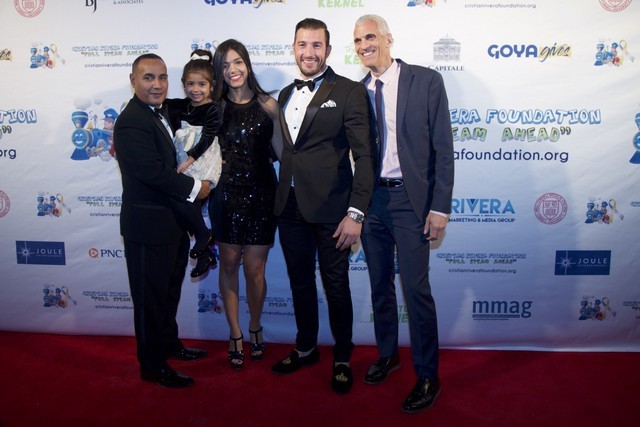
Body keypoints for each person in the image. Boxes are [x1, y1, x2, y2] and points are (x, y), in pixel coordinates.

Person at [353, 14, 455, 413]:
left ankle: (428, 375)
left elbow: (443, 148)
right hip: (372, 202)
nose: (364, 45)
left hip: (411, 203)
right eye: (357, 40)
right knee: (379, 285)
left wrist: (439, 206)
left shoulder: (425, 81)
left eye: (370, 36)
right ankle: (388, 354)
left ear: (388, 38)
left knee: (415, 291)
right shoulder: (357, 91)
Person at [270, 18, 376, 395]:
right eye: (303, 44)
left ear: (328, 50)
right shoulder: (284, 94)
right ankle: (306, 347)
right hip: (289, 207)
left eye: (317, 45)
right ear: (294, 48)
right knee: (300, 281)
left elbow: (365, 156)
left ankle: (343, 356)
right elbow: (284, 150)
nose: (309, 52)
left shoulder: (349, 91)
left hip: (334, 210)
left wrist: (356, 213)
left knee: (335, 285)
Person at [114, 53, 210, 388]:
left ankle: (169, 345)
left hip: (171, 224)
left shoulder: (158, 112)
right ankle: (152, 365)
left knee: (167, 294)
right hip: (147, 228)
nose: (157, 84)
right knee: (149, 301)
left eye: (162, 77)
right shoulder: (131, 121)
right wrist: (197, 188)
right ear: (133, 81)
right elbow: (152, 173)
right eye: (148, 77)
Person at [209, 39, 283, 369]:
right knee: (228, 264)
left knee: (255, 269)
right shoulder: (214, 108)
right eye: (224, 66)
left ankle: (255, 324)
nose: (232, 70)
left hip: (262, 196)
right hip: (225, 195)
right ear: (219, 72)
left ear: (247, 64)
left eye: (237, 62)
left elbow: (284, 155)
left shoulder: (269, 105)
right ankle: (235, 333)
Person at [165, 50, 222, 278]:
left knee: (182, 198)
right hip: (187, 162)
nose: (195, 89)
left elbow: (207, 139)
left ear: (212, 85)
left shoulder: (213, 109)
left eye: (202, 84)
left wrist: (188, 161)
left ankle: (204, 236)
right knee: (193, 210)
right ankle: (205, 254)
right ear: (183, 84)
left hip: (203, 161)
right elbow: (158, 103)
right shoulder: (181, 106)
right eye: (190, 84)